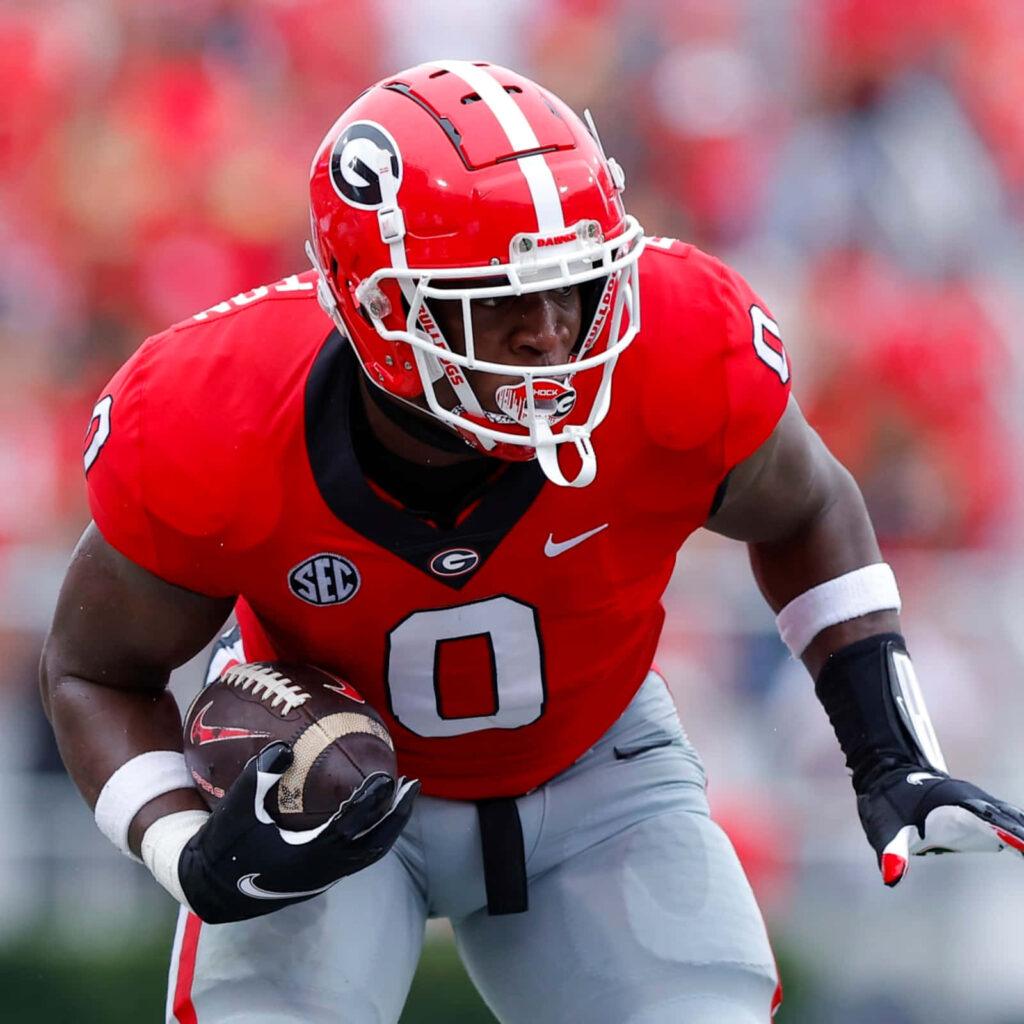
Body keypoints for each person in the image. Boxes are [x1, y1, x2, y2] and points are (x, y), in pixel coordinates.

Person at [41, 60, 1024, 1024]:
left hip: (597, 772)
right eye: (500, 300)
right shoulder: (215, 414)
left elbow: (807, 507)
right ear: (382, 304)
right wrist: (187, 851)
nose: (553, 335)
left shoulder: (674, 340)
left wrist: (887, 750)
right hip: (317, 796)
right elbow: (92, 670)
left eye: (578, 284)